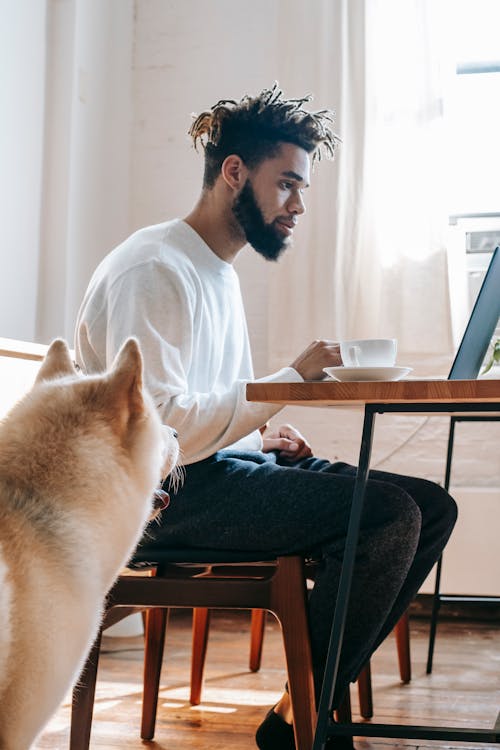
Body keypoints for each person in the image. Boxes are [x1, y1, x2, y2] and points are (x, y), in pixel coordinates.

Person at [75, 84, 457, 749]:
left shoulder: (215, 269)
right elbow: (160, 431)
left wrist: (260, 434)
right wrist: (290, 380)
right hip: (158, 499)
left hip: (212, 471)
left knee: (431, 506)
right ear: (234, 174)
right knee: (389, 516)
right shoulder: (155, 267)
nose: (298, 205)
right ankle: (307, 714)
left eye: (302, 188)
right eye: (286, 184)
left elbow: (198, 402)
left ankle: (300, 705)